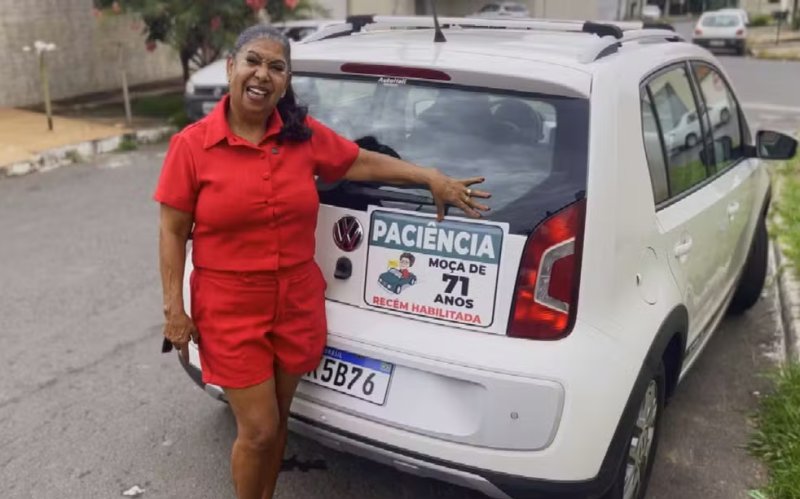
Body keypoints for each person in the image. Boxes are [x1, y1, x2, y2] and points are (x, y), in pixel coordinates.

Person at [154, 24, 490, 499]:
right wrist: (174, 309)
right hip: (230, 306)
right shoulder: (192, 146)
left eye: (276, 66)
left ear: (287, 81)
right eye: (253, 61)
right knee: (259, 431)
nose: (262, 74)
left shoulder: (301, 136)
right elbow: (171, 231)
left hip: (296, 300)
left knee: (279, 421)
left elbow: (361, 162)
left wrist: (429, 177)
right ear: (231, 67)